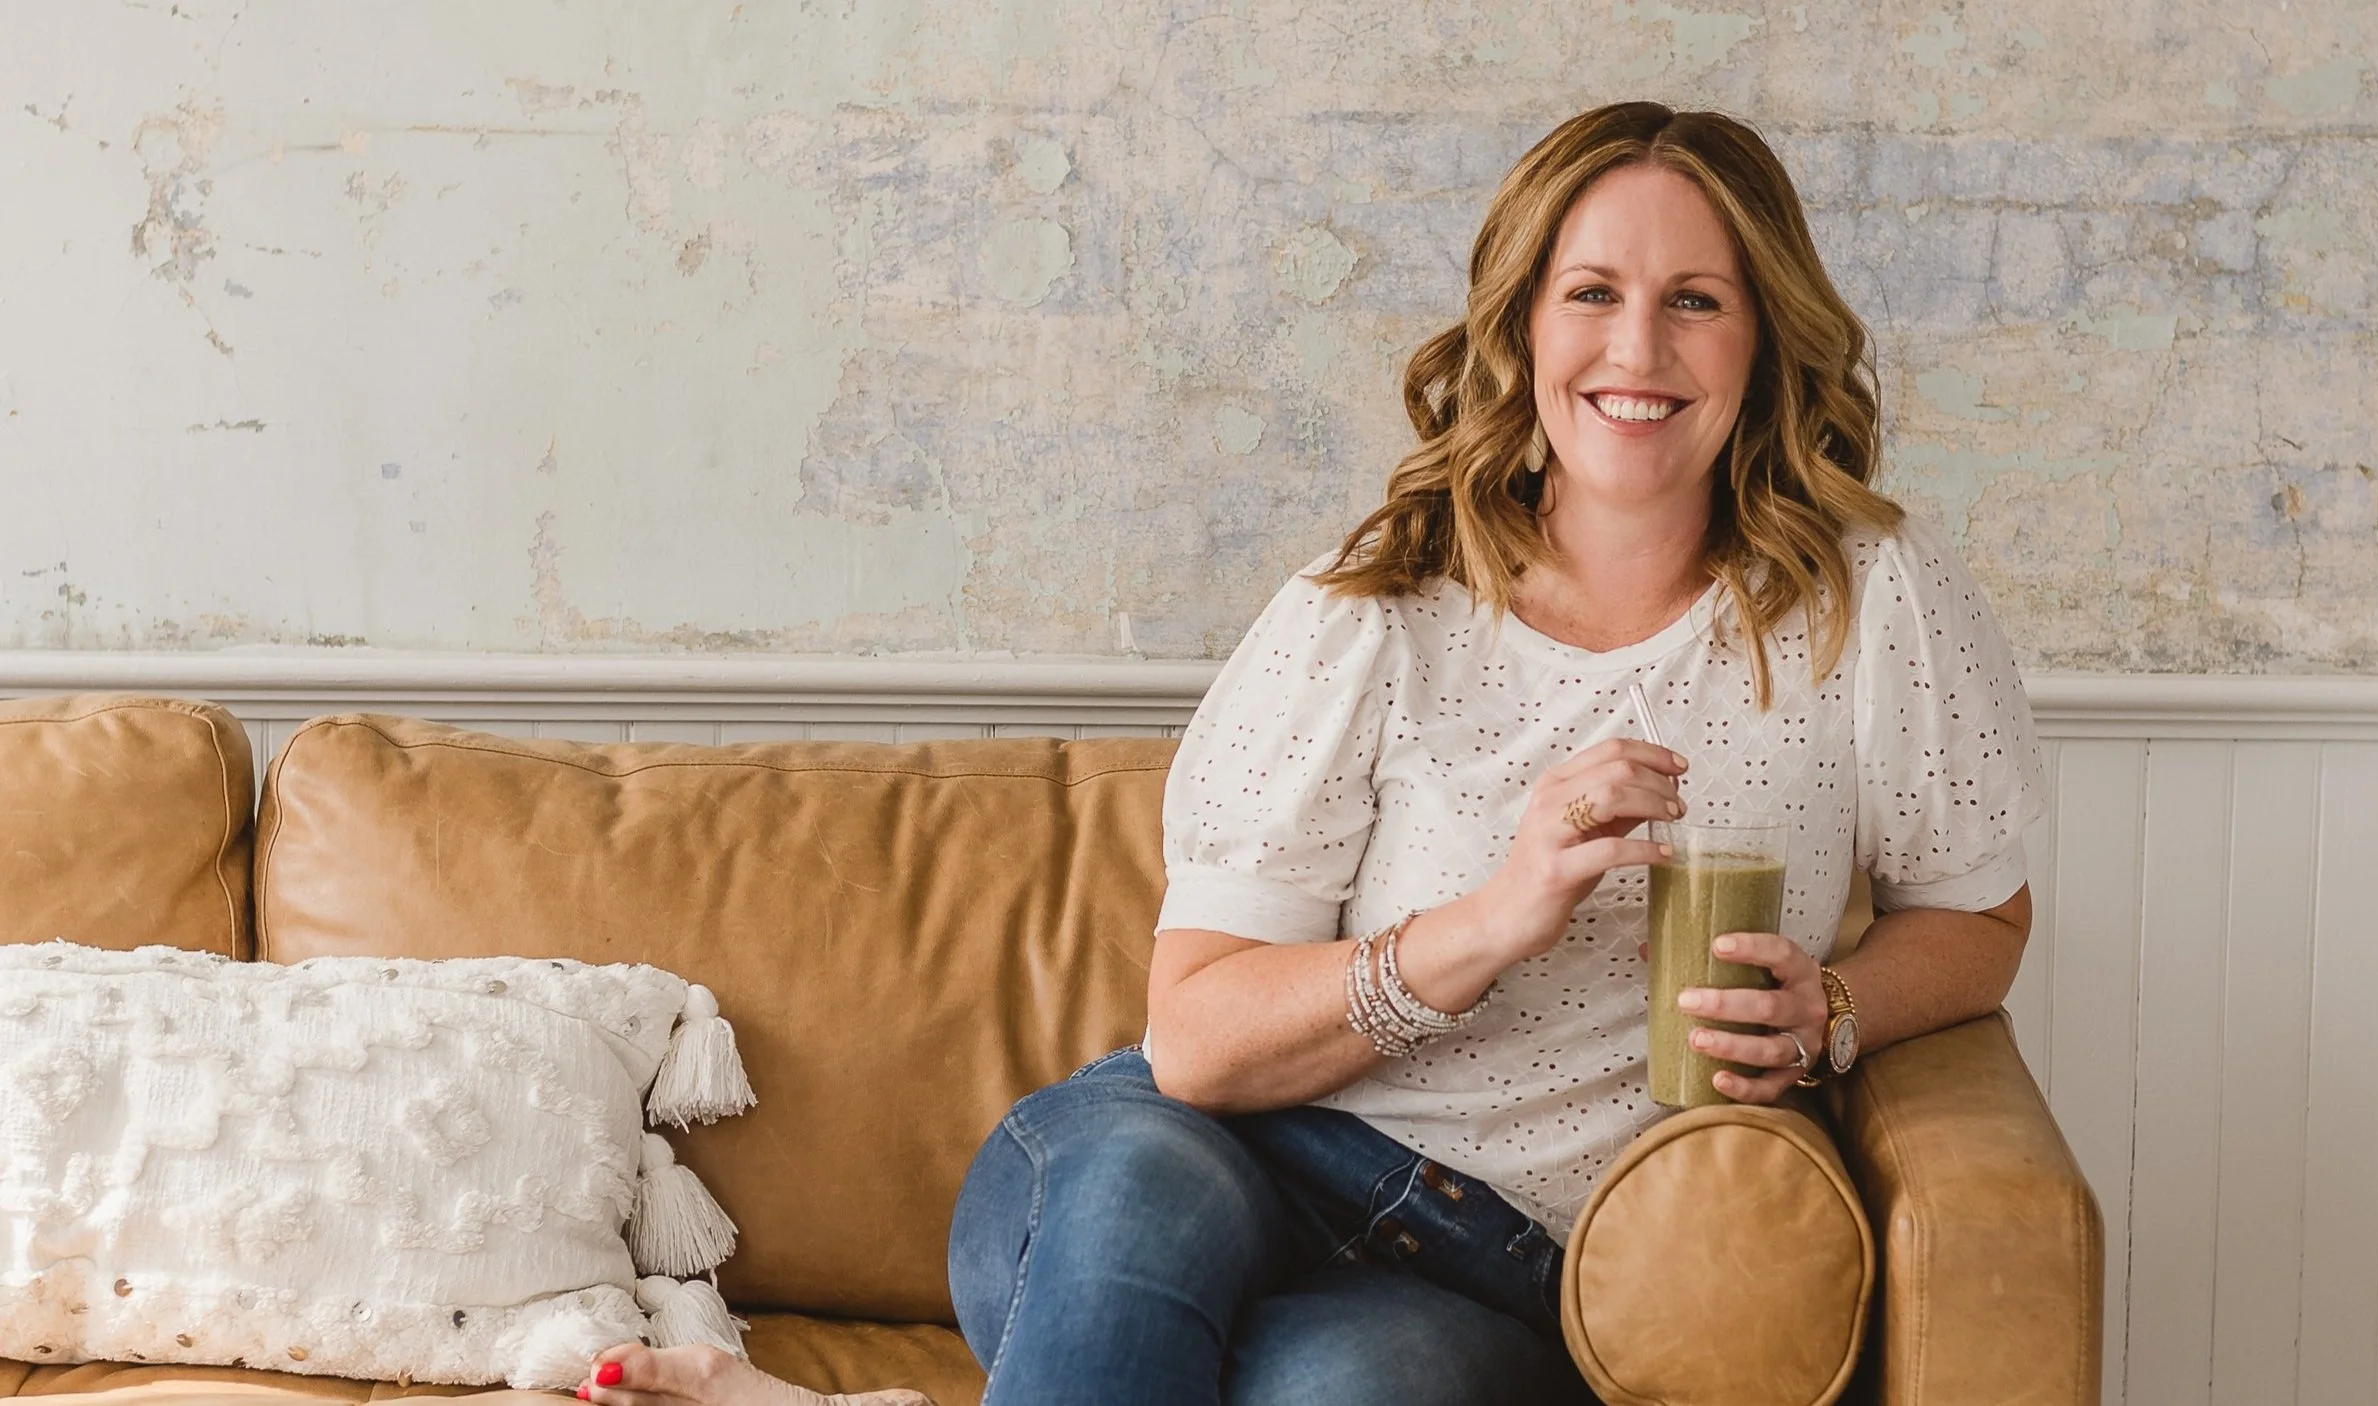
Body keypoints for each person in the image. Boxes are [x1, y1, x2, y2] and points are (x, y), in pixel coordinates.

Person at [576, 100, 2044, 1406]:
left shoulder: (1869, 602)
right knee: (1140, 1191)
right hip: (1219, 1159)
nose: (1638, 350)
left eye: (1697, 301)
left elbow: (1980, 917)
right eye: (1590, 292)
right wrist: (1494, 917)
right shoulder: (1378, 608)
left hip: (1510, 1265)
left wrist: (1837, 1006)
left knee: (1345, 1386)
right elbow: (1201, 1045)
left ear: (1764, 332)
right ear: (1523, 326)